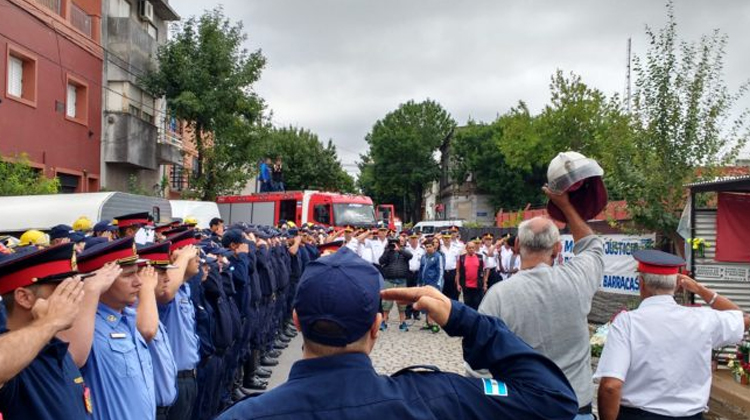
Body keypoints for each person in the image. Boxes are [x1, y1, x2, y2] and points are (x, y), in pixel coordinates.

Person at [215, 247, 578, 420]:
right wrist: (464, 319)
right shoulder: (437, 399)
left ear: (296, 321)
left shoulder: (243, 417)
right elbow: (554, 400)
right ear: (376, 327)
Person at [477, 187, 604, 419]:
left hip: (521, 408)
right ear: (557, 249)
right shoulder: (577, 279)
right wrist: (565, 206)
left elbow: (478, 368)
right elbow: (592, 246)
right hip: (575, 407)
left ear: (516, 247)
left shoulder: (498, 296)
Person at [595, 250, 749, 420]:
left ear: (641, 283)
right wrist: (700, 289)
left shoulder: (627, 323)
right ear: (677, 285)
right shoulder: (703, 319)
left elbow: (610, 387)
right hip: (690, 416)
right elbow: (743, 319)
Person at [0, 245, 89, 420]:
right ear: (24, 298)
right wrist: (51, 321)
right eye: (63, 290)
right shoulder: (15, 364)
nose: (76, 296)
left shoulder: (55, 348)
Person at [78, 237, 157, 420]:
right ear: (101, 281)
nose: (139, 282)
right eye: (128, 275)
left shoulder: (128, 319)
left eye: (137, 273)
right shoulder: (87, 327)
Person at [378, 238, 412, 332]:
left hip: (402, 279)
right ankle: (384, 322)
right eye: (392, 243)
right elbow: (381, 261)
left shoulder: (404, 251)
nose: (394, 245)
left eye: (396, 243)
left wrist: (399, 250)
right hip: (389, 279)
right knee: (386, 302)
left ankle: (402, 323)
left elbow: (410, 256)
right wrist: (387, 251)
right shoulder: (388, 251)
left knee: (402, 302)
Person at [418, 239, 444, 333]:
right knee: (426, 304)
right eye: (427, 247)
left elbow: (440, 271)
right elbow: (421, 270)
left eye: (430, 246)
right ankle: (428, 323)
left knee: (434, 305)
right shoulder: (423, 257)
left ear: (434, 246)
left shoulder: (438, 256)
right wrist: (419, 283)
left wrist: (438, 284)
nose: (428, 248)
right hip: (425, 284)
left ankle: (435, 324)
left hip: (434, 284)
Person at [457, 240, 484, 310]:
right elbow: (458, 271)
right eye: (469, 248)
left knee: (477, 303)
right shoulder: (462, 258)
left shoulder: (480, 257)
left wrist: (484, 283)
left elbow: (483, 271)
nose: (471, 249)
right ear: (466, 249)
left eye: (473, 248)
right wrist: (458, 284)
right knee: (468, 304)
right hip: (466, 286)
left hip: (477, 285)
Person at [404, 231, 424, 320]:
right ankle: (408, 313)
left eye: (415, 238)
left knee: (417, 294)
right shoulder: (406, 249)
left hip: (418, 273)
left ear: (418, 239)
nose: (413, 240)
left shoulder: (422, 250)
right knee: (408, 294)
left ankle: (416, 313)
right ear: (409, 239)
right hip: (408, 273)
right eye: (412, 238)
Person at [440, 232, 462, 301]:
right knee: (443, 293)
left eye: (448, 238)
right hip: (443, 273)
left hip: (453, 273)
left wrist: (457, 274)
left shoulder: (456, 248)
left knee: (454, 293)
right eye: (445, 238)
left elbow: (458, 262)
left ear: (450, 238)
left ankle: (454, 310)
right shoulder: (440, 248)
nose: (447, 239)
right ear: (442, 239)